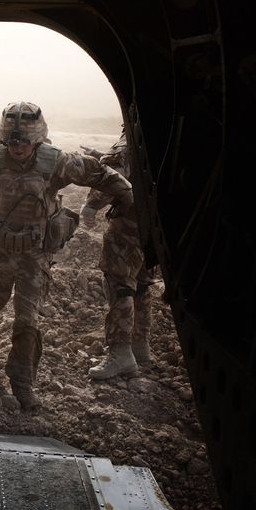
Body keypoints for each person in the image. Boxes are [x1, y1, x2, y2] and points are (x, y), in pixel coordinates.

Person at [0, 101, 133, 411]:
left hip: (34, 256)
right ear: (3, 139)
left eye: (24, 141)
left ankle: (22, 383)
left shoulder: (55, 162)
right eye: (11, 141)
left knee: (27, 319)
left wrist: (129, 196)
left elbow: (99, 172)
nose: (17, 148)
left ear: (38, 140)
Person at [81, 130, 160, 379]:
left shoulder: (129, 142)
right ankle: (140, 348)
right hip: (154, 230)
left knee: (119, 284)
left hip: (128, 228)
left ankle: (120, 353)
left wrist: (90, 206)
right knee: (143, 284)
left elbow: (111, 177)